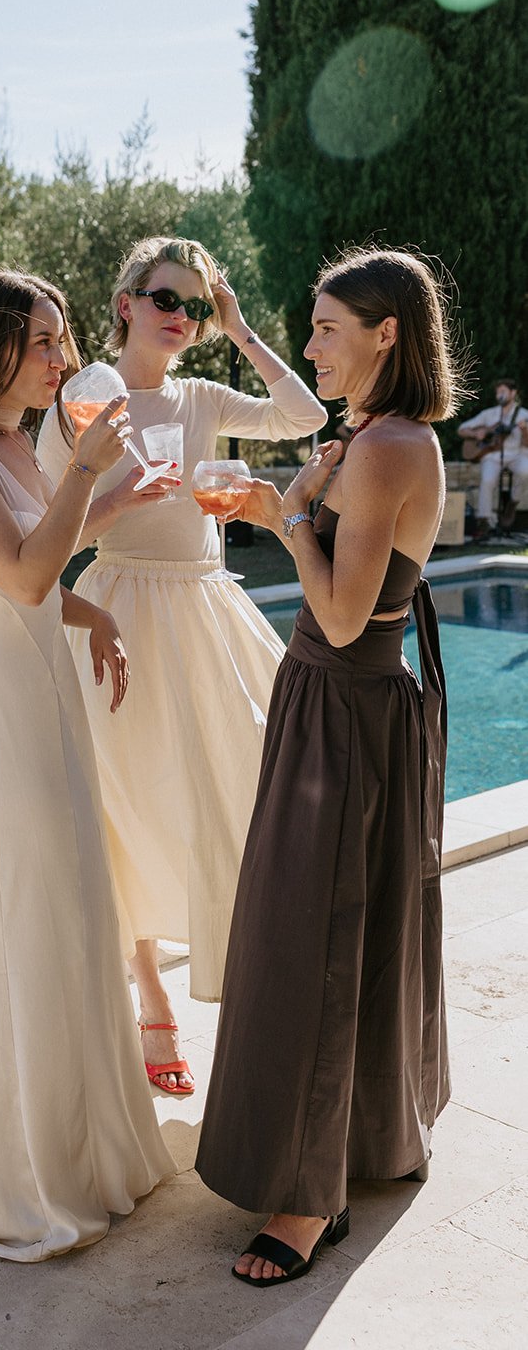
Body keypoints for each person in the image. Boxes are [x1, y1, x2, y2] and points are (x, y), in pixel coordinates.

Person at [196, 246, 462, 1287]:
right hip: (334, 704)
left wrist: (284, 517)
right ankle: (353, 1145)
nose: (310, 345)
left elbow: (345, 611)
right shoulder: (371, 437)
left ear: (386, 332)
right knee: (323, 925)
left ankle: (309, 1199)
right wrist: (300, 502)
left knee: (319, 937)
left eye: (325, 328)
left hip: (346, 707)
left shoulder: (393, 445)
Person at [0, 269, 176, 1262]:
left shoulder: (14, 440)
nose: (65, 359)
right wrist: (88, 474)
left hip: (42, 691)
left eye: (62, 340)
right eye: (47, 342)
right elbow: (16, 576)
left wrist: (89, 606)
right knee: (21, 909)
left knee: (69, 900)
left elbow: (28, 562)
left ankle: (90, 1145)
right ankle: (21, 1167)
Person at [36, 236, 324, 1094]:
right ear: (125, 302)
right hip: (117, 604)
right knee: (120, 796)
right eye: (167, 299)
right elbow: (51, 535)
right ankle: (150, 984)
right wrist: (121, 498)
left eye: (194, 305)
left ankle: (250, 980)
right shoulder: (78, 402)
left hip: (204, 602)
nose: (180, 317)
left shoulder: (200, 393)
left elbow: (303, 416)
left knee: (244, 779)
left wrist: (238, 330)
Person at [457, 376, 528, 538]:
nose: (499, 395)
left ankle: (512, 503)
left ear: (513, 393)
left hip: (517, 453)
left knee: (526, 471)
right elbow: (462, 429)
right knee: (487, 480)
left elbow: (527, 444)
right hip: (493, 454)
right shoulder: (488, 414)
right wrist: (477, 433)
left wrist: (524, 431)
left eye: (503, 391)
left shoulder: (523, 415)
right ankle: (485, 521)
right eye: (498, 392)